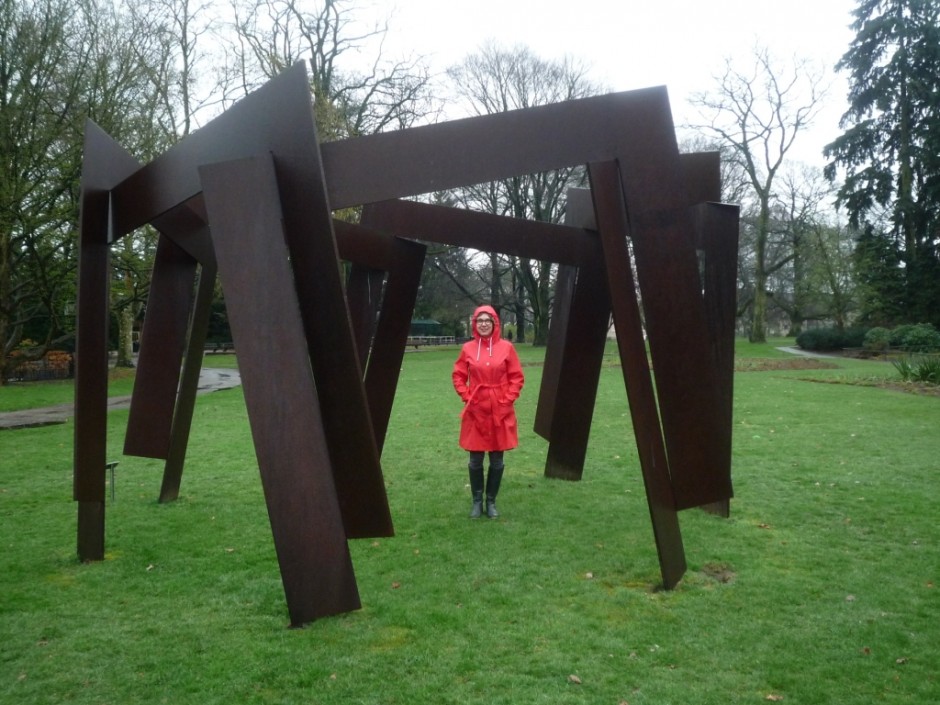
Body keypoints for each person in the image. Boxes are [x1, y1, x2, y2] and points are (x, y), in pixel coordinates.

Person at [452, 305, 524, 518]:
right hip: (476, 408)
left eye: (487, 320)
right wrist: (467, 396)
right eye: (479, 320)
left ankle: (491, 501)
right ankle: (477, 501)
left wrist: (506, 400)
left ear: (494, 323)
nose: (483, 323)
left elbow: (516, 378)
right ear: (475, 324)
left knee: (496, 459)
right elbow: (458, 376)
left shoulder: (507, 348)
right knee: (475, 459)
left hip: (499, 409)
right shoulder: (467, 349)